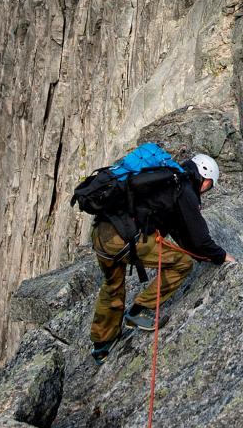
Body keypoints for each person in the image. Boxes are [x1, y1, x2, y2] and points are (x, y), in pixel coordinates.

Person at [89, 151, 232, 360]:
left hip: (102, 232)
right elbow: (198, 239)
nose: (206, 190)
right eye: (210, 185)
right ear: (205, 176)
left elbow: (180, 232)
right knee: (182, 264)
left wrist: (202, 254)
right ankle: (140, 310)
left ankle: (101, 344)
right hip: (124, 238)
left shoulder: (167, 178)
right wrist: (220, 256)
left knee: (113, 285)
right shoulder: (183, 188)